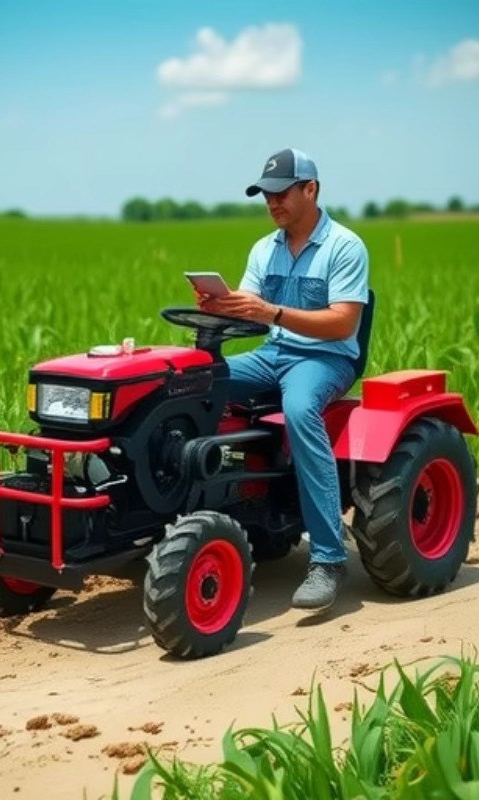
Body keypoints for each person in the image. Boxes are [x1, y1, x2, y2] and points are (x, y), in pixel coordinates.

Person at [200, 148, 369, 611]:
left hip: (325, 359)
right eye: (265, 195)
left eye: (280, 193)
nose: (272, 203)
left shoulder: (344, 246)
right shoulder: (264, 248)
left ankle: (329, 558)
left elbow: (342, 324)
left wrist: (272, 312)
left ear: (310, 189)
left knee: (299, 410)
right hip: (272, 353)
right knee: (194, 382)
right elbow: (251, 311)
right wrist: (223, 306)